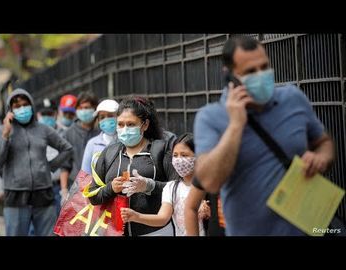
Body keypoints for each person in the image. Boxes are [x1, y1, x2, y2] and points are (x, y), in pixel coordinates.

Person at [193, 36, 335, 236]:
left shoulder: (293, 98)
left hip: (308, 228)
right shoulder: (210, 117)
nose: (261, 75)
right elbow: (210, 182)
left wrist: (321, 157)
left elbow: (324, 142)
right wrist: (235, 126)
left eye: (264, 67)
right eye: (251, 71)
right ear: (230, 76)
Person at [88, 96, 179, 236]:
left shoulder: (160, 150)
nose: (124, 129)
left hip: (156, 232)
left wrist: (149, 185)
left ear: (145, 125)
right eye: (120, 124)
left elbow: (178, 189)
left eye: (130, 124)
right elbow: (92, 196)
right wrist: (110, 188)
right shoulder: (109, 153)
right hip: (115, 232)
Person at [0, 89, 73, 236]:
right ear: (10, 110)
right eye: (17, 106)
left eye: (25, 104)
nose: (22, 109)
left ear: (32, 106)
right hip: (15, 196)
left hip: (43, 193)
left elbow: (67, 149)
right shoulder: (2, 131)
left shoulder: (43, 129)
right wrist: (5, 135)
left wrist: (49, 167)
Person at [121, 133, 210, 236]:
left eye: (184, 155)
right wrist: (136, 216)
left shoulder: (210, 186)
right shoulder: (171, 188)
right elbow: (162, 218)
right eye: (175, 155)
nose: (179, 160)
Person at [60, 92, 99, 203]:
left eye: (87, 108)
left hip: (98, 189)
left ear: (94, 109)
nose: (84, 111)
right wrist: (64, 191)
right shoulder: (69, 133)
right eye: (81, 108)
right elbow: (65, 166)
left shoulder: (101, 132)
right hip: (75, 188)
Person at [37, 99, 65, 216]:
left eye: (50, 114)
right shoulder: (33, 134)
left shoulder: (65, 133)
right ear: (38, 115)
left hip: (59, 186)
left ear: (56, 114)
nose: (47, 117)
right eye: (44, 114)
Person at [81, 99, 119, 175]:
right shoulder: (92, 143)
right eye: (102, 117)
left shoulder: (125, 140)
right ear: (98, 120)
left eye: (110, 116)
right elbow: (85, 173)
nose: (106, 120)